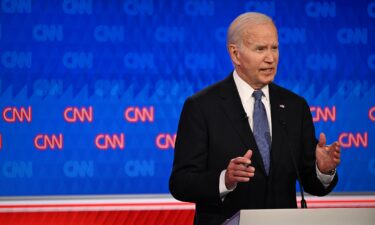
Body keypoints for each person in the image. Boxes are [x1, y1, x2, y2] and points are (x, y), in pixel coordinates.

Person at [169, 12, 341, 225]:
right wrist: (225, 179)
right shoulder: (202, 106)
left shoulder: (295, 106)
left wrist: (322, 170)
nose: (271, 58)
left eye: (274, 48)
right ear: (235, 54)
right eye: (260, 49)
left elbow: (311, 183)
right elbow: (181, 183)